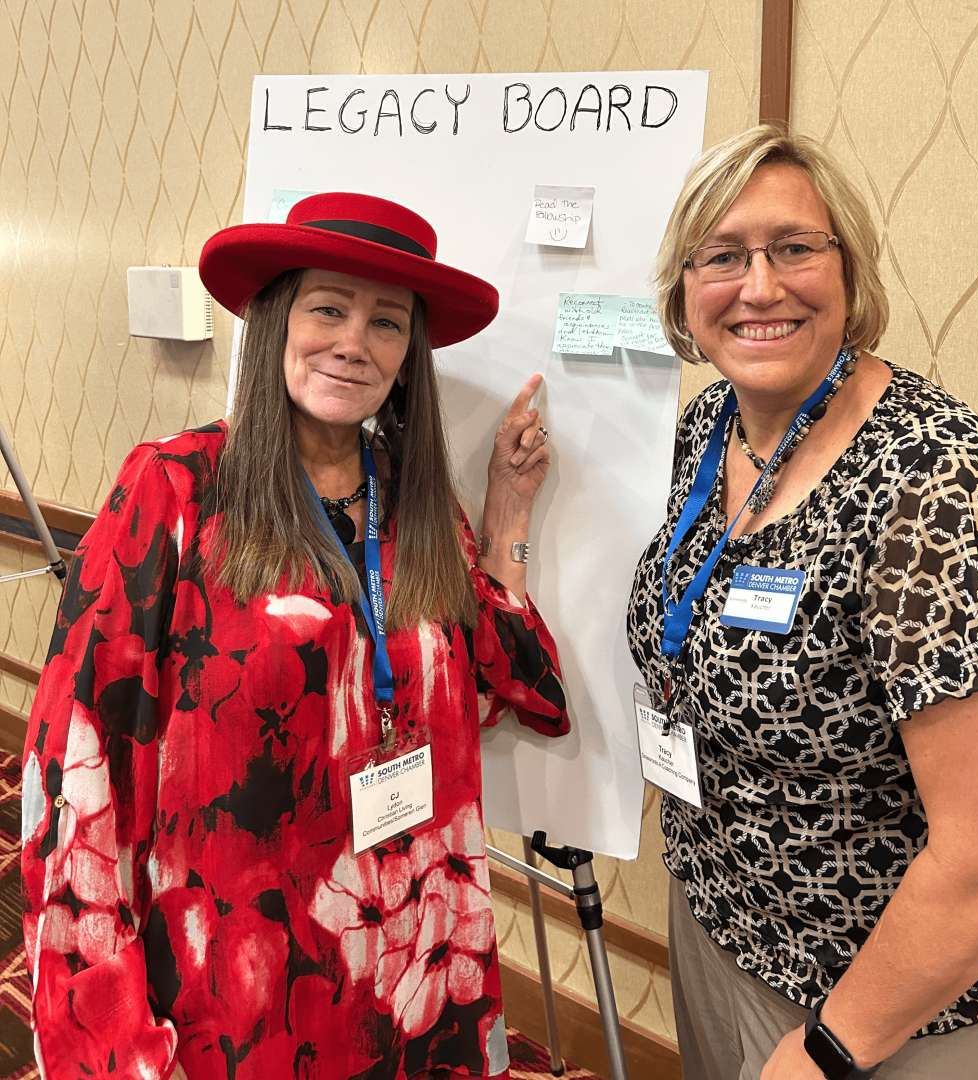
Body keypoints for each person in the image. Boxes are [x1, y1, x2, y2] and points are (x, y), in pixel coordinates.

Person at [22, 192, 569, 1080]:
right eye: (327, 309)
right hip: (241, 976)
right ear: (277, 320)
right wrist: (109, 1034)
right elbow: (74, 763)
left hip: (414, 950)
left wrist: (506, 514)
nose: (354, 342)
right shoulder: (176, 487)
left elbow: (521, 690)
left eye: (386, 322)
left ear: (408, 357)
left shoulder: (417, 503)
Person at [628, 126, 978, 1080]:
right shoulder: (710, 428)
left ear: (848, 270)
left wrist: (829, 1049)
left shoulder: (938, 486)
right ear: (683, 292)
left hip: (899, 1005)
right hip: (724, 923)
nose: (759, 286)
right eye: (721, 257)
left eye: (793, 248)